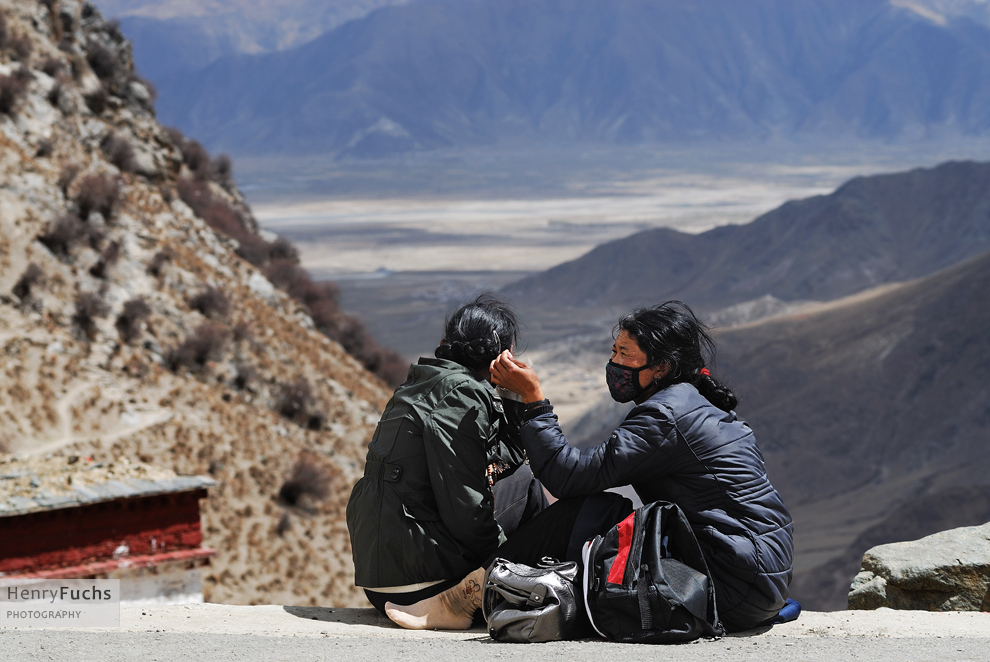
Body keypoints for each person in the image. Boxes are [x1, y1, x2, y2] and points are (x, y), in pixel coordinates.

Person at [386, 301, 793, 633]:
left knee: (592, 510)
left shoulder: (666, 417)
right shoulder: (690, 406)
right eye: (613, 351)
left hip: (733, 585)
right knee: (604, 513)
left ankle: (468, 597)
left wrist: (534, 402)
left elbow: (568, 477)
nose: (614, 364)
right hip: (759, 580)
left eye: (625, 355)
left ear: (662, 369)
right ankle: (494, 586)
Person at [346, 294, 545, 616]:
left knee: (520, 479)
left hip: (383, 583)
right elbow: (463, 505)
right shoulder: (462, 394)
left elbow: (504, 457)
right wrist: (504, 561)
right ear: (502, 356)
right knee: (533, 490)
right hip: (421, 587)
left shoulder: (422, 383)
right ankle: (502, 589)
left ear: (446, 343)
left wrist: (509, 395)